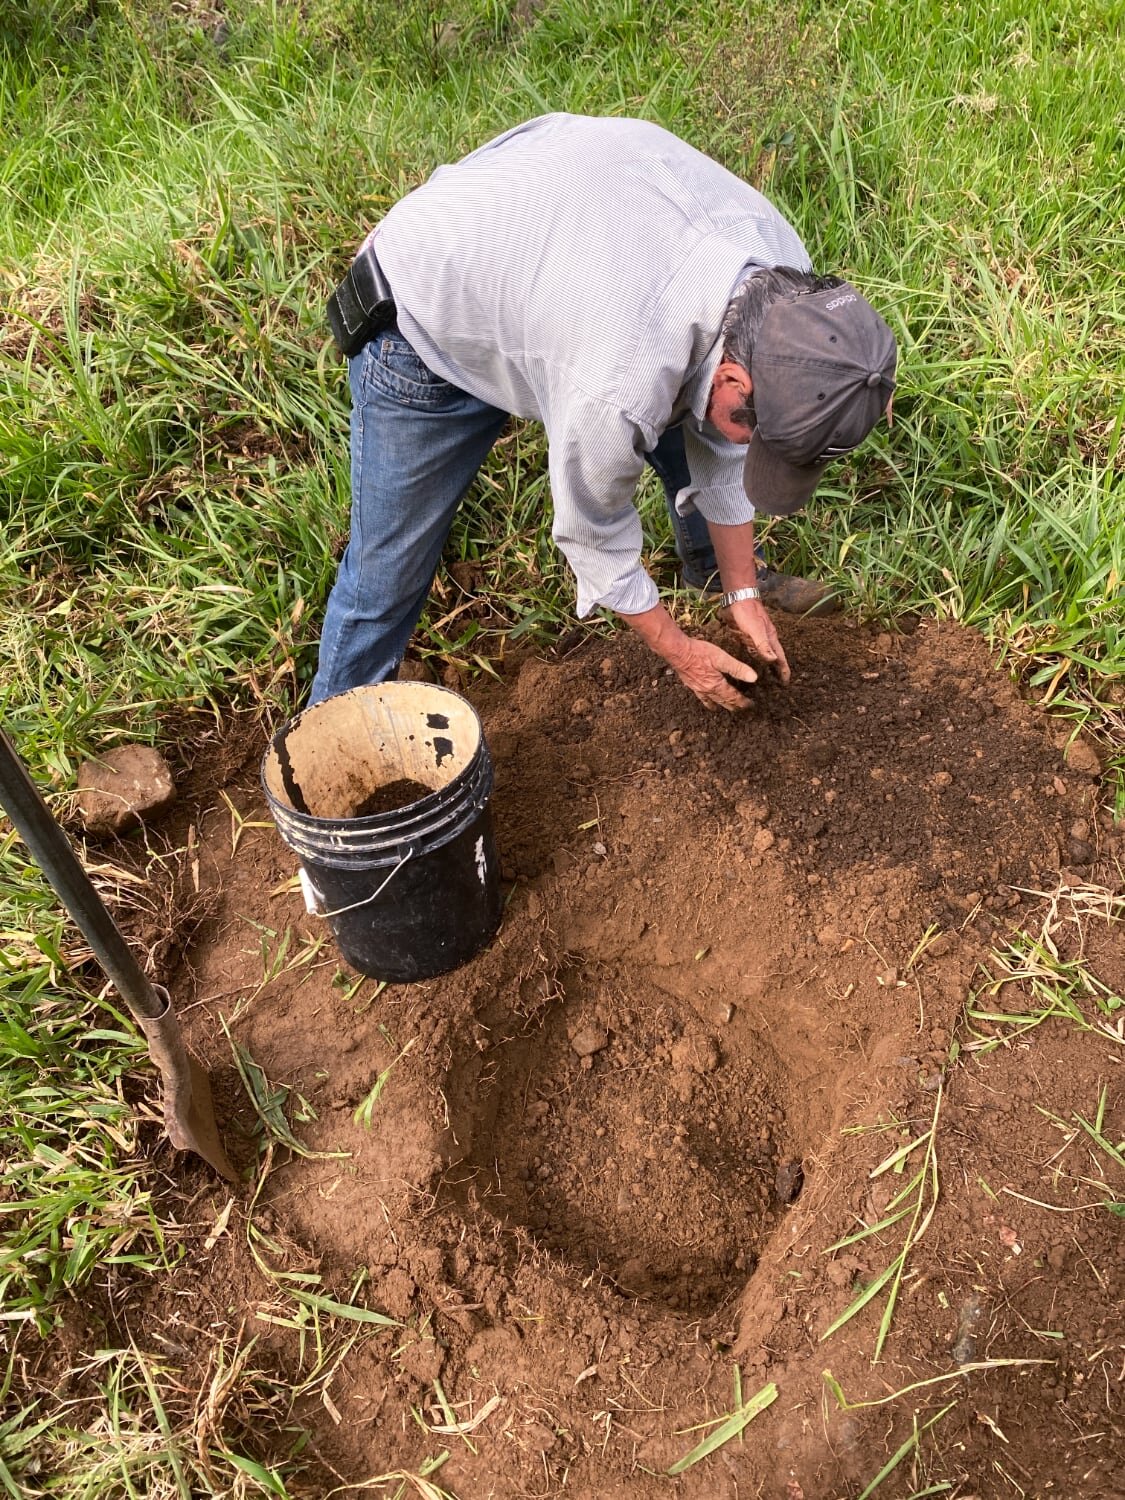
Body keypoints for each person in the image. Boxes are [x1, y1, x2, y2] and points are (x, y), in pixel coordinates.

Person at [312, 113, 896, 711]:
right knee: (387, 576)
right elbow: (590, 530)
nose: (752, 452)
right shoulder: (618, 380)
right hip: (422, 316)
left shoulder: (785, 286)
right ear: (731, 375)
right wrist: (682, 653)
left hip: (569, 263)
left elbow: (725, 439)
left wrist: (741, 588)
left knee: (699, 417)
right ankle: (326, 752)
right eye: (761, 439)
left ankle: (714, 574)